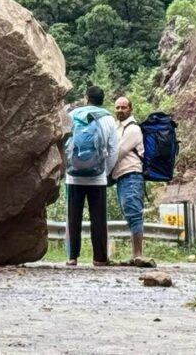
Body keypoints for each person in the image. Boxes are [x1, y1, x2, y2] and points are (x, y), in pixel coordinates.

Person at [64, 86, 119, 267]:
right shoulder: (108, 119)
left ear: (86, 98)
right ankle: (100, 258)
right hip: (98, 177)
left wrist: (68, 167)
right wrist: (107, 171)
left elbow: (65, 143)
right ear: (103, 99)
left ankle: (72, 257)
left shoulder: (72, 115)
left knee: (73, 218)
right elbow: (113, 150)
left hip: (74, 176)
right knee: (98, 219)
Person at [111, 96, 153, 267]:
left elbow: (118, 152)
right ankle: (135, 254)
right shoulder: (117, 127)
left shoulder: (133, 129)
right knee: (129, 214)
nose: (120, 110)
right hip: (121, 177)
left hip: (132, 175)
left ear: (130, 109)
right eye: (117, 108)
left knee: (134, 214)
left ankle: (138, 254)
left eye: (124, 107)